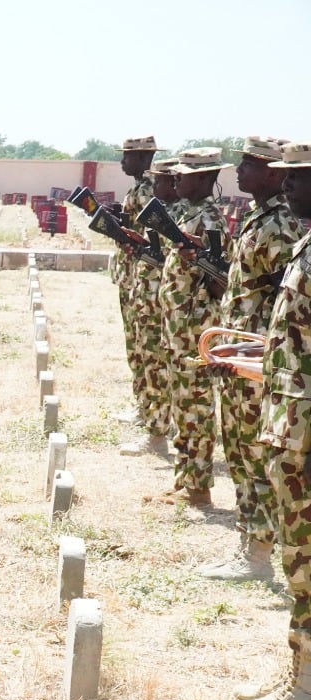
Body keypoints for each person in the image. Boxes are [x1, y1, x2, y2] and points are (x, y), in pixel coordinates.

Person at [202, 137, 304, 582]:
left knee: (257, 458)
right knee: (241, 452)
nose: (239, 172)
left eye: (249, 165)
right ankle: (249, 545)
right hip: (249, 352)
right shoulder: (259, 217)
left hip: (269, 364)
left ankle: (257, 554)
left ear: (275, 174)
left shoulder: (282, 225)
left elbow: (286, 303)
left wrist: (257, 352)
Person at [237, 141, 311, 700]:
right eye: (284, 177)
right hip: (292, 427)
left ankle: (305, 688)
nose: (288, 186)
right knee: (299, 558)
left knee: (307, 561)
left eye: (299, 177)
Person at [153, 147, 233, 509]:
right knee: (182, 404)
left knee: (195, 406)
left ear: (203, 179)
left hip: (196, 328)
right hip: (180, 326)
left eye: (184, 174)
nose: (176, 179)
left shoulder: (210, 221)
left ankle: (199, 487)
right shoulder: (190, 215)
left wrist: (202, 257)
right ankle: (186, 478)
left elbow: (221, 282)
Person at [111, 136, 164, 455]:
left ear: (144, 158)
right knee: (136, 345)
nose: (122, 162)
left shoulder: (149, 190)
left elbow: (149, 238)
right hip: (133, 275)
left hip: (143, 278)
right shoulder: (140, 187)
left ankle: (151, 413)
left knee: (145, 348)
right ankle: (142, 406)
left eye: (128, 156)